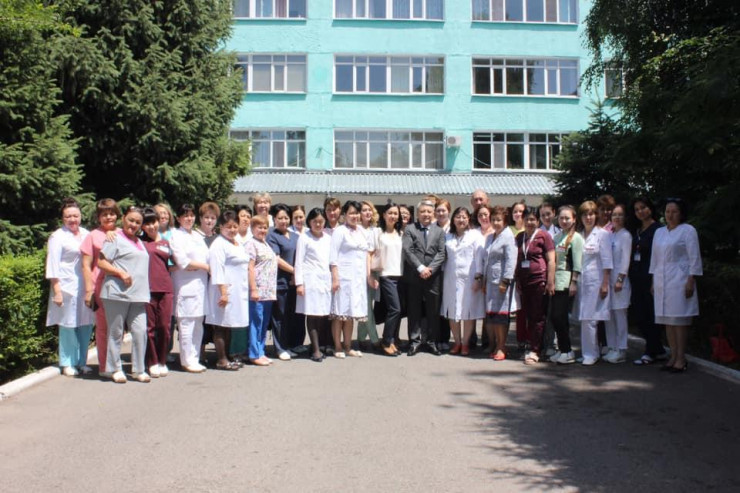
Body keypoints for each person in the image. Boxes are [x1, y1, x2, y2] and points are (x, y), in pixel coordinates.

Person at [97, 206, 150, 383]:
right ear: (123, 219)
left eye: (138, 222)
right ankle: (115, 368)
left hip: (139, 295)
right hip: (117, 293)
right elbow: (101, 262)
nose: (133, 224)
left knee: (140, 331)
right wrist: (120, 273)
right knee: (116, 332)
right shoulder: (115, 238)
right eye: (131, 220)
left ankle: (139, 369)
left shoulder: (140, 241)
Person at [650, 198, 702, 373]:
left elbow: (694, 257)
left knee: (679, 320)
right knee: (667, 321)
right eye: (667, 211)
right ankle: (672, 356)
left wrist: (691, 279)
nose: (670, 215)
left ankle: (681, 358)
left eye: (674, 212)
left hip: (680, 279)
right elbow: (654, 259)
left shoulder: (688, 230)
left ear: (681, 213)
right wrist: (653, 280)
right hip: (661, 279)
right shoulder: (659, 232)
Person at [45, 198, 94, 377]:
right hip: (66, 286)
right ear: (62, 218)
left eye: (75, 216)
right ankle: (67, 362)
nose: (72, 219)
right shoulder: (57, 237)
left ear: (80, 216)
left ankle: (82, 362)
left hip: (85, 286)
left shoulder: (87, 234)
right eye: (68, 216)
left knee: (85, 323)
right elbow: (52, 264)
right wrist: (57, 291)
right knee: (68, 325)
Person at [329, 200, 374, 358]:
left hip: (358, 280)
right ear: (345, 215)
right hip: (343, 278)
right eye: (351, 213)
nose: (354, 216)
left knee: (350, 314)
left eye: (356, 213)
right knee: (339, 314)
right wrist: (335, 278)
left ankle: (348, 346)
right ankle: (338, 347)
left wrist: (368, 276)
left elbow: (367, 255)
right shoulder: (340, 231)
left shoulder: (362, 231)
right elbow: (333, 257)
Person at [81, 198, 120, 375]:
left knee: (118, 327)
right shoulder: (92, 236)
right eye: (104, 214)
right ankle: (104, 366)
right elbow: (86, 265)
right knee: (103, 328)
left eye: (111, 213)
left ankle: (116, 364)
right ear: (98, 217)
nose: (108, 217)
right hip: (100, 286)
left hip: (122, 286)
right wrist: (89, 290)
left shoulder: (123, 233)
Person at [207, 210, 250, 371]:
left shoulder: (237, 242)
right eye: (228, 227)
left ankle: (229, 356)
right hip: (223, 290)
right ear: (221, 227)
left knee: (230, 324)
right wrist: (223, 293)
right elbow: (217, 269)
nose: (232, 230)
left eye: (234, 226)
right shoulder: (219, 244)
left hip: (238, 290)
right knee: (220, 325)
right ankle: (221, 359)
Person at [403, 199, 446, 356]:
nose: (426, 214)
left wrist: (430, 269)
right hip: (414, 276)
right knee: (414, 310)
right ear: (417, 213)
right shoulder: (410, 229)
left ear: (433, 213)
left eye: (429, 211)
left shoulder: (439, 231)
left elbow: (441, 253)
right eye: (422, 211)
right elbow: (407, 250)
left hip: (433, 278)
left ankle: (431, 342)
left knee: (433, 311)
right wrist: (421, 268)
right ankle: (414, 342)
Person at [170, 204, 210, 373]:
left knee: (198, 322)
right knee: (186, 324)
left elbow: (206, 257)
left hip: (201, 285)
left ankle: (195, 358)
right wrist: (205, 267)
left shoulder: (197, 236)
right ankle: (186, 360)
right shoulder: (175, 235)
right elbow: (183, 262)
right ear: (178, 218)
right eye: (185, 215)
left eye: (192, 215)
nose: (189, 218)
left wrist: (202, 267)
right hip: (185, 285)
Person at [514, 207, 556, 364]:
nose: (529, 222)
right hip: (523, 282)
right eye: (527, 219)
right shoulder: (520, 237)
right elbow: (517, 259)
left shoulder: (544, 236)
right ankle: (530, 345)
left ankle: (535, 350)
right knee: (527, 316)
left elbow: (551, 260)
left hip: (539, 281)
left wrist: (550, 281)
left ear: (538, 221)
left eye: (533, 219)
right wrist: (517, 280)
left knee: (537, 316)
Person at [441, 207, 485, 355]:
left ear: (469, 219)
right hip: (450, 278)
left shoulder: (475, 235)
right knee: (452, 310)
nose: (461, 220)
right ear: (453, 219)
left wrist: (478, 278)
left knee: (468, 311)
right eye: (458, 217)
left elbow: (479, 258)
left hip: (469, 279)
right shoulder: (448, 236)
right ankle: (457, 342)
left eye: (464, 217)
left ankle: (465, 343)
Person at [629, 197, 667, 365]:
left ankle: (650, 351)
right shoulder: (637, 230)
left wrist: (654, 280)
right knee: (639, 315)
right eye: (637, 209)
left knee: (651, 315)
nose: (640, 212)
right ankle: (658, 350)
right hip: (636, 277)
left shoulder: (659, 229)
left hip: (650, 277)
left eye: (643, 207)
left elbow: (660, 256)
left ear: (650, 208)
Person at [479, 205, 517, 361]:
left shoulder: (508, 236)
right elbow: (486, 260)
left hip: (501, 282)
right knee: (492, 315)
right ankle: (494, 344)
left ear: (505, 221)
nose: (495, 222)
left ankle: (502, 346)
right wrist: (484, 281)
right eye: (493, 219)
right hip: (490, 282)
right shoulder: (490, 237)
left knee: (501, 316)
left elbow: (511, 260)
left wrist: (505, 281)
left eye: (498, 220)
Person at [577, 200, 613, 366]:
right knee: (584, 318)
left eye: (591, 214)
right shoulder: (579, 235)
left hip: (596, 281)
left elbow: (607, 261)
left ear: (596, 216)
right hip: (582, 282)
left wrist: (605, 283)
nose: (588, 217)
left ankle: (591, 354)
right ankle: (588, 352)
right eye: (585, 214)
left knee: (591, 318)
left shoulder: (602, 235)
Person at [295, 208, 332, 362]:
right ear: (309, 222)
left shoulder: (328, 238)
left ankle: (318, 345)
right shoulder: (304, 238)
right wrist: (299, 283)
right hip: (309, 281)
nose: (318, 224)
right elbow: (299, 262)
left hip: (325, 280)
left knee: (323, 315)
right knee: (312, 315)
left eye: (321, 221)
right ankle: (316, 350)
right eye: (315, 221)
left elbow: (332, 261)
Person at [547, 205, 583, 365]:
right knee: (556, 317)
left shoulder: (576, 238)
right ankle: (563, 349)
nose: (564, 221)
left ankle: (567, 351)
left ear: (574, 219)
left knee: (559, 316)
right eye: (561, 218)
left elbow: (577, 262)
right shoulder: (557, 236)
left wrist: (574, 282)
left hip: (567, 281)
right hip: (555, 280)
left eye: (567, 218)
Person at [141, 208, 174, 378]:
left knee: (165, 327)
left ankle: (162, 360)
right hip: (147, 290)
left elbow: (175, 263)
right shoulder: (139, 242)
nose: (151, 226)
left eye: (153, 222)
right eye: (146, 223)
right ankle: (152, 362)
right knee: (150, 328)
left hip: (166, 288)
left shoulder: (167, 242)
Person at [267, 203, 302, 360]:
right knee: (280, 316)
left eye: (286, 218)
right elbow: (276, 259)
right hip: (281, 281)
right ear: (274, 219)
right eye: (280, 218)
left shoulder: (296, 236)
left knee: (292, 316)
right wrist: (295, 271)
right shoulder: (271, 236)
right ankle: (280, 348)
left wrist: (298, 276)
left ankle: (291, 345)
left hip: (295, 282)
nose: (284, 221)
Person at [247, 215, 278, 366]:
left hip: (268, 292)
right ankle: (254, 353)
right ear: (252, 228)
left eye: (265, 227)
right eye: (259, 227)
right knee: (256, 322)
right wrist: (253, 289)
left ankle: (261, 351)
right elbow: (250, 267)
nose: (262, 230)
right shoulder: (251, 244)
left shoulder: (265, 244)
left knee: (264, 323)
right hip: (258, 291)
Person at [604, 204, 632, 363]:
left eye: (620, 215)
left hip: (620, 282)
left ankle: (622, 349)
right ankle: (612, 347)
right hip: (608, 281)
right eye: (614, 214)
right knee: (609, 315)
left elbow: (625, 260)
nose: (617, 217)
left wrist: (620, 280)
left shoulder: (626, 236)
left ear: (625, 217)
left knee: (620, 315)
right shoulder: (611, 235)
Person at [376, 203, 404, 356]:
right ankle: (386, 341)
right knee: (395, 309)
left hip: (400, 275)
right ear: (384, 215)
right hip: (386, 275)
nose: (393, 216)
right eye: (390, 213)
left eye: (395, 213)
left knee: (397, 310)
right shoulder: (379, 233)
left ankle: (392, 340)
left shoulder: (401, 234)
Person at [357, 200, 381, 351]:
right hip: (360, 271)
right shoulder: (356, 229)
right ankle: (374, 338)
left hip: (375, 270)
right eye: (364, 210)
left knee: (368, 304)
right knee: (365, 305)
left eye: (369, 210)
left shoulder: (376, 230)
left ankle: (360, 337)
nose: (367, 212)